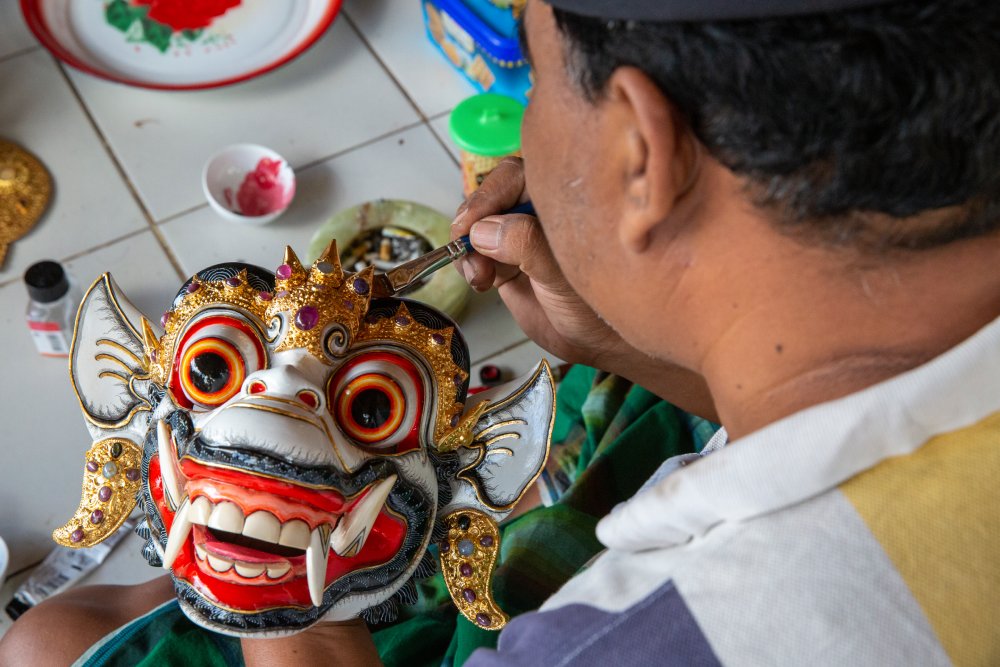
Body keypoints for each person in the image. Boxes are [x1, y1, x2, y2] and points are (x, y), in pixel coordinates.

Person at [5, 0, 999, 663]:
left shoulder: (659, 637)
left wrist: (271, 543)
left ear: (638, 150)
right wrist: (617, 340)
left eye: (530, 70)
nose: (520, 133)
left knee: (49, 640)